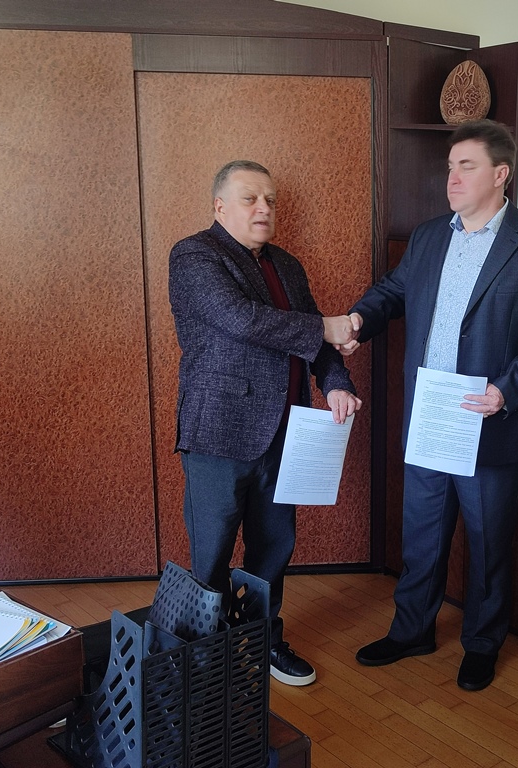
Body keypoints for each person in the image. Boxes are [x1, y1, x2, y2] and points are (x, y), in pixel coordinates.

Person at [341, 119, 518, 691]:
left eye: (466, 166)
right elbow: (394, 291)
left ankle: (482, 644)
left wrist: (506, 390)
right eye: (450, 167)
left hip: (487, 415)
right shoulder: (428, 237)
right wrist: (358, 321)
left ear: (501, 174)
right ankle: (412, 630)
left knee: (489, 542)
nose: (452, 177)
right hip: (430, 411)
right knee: (422, 532)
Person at [169, 160, 362, 686]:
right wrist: (326, 327)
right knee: (211, 555)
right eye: (251, 198)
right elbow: (241, 319)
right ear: (220, 207)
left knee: (274, 547)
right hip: (219, 433)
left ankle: (263, 641)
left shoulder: (288, 266)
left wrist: (336, 383)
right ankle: (202, 660)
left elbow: (314, 338)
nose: (264, 209)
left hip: (286, 433)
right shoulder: (194, 255)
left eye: (271, 200)